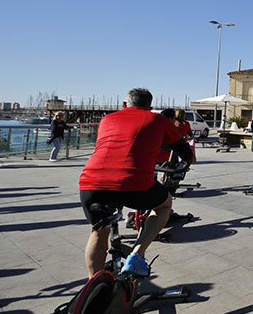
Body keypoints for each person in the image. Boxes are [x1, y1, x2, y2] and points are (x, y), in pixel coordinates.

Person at [79, 88, 192, 278]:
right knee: (164, 205)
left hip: (91, 182)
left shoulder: (107, 119)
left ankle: (95, 287)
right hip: (133, 181)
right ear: (151, 107)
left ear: (125, 104)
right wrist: (184, 164)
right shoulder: (158, 120)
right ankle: (137, 255)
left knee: (98, 232)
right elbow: (185, 152)